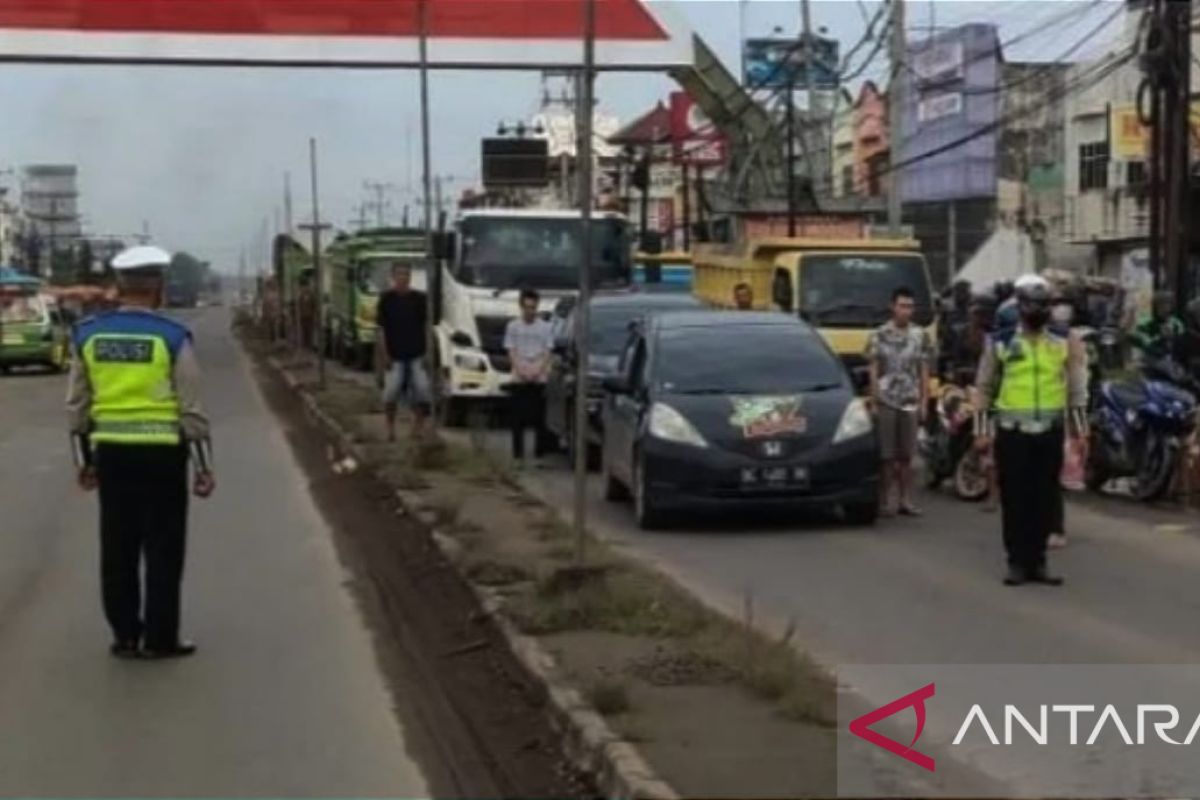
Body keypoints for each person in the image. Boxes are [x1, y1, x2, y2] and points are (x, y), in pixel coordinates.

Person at [66, 245, 214, 659]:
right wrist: (204, 468)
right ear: (158, 288)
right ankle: (161, 639)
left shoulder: (88, 334)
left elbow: (77, 406)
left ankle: (125, 635)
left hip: (112, 454)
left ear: (119, 287)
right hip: (163, 456)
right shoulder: (171, 336)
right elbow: (192, 408)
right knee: (164, 550)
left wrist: (84, 462)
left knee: (117, 547)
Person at [974, 275, 1087, 586]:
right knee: (1015, 498)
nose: (1039, 312)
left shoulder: (1063, 341)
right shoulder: (1001, 341)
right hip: (1013, 432)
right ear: (1021, 309)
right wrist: (981, 431)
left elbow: (1076, 389)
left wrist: (1080, 432)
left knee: (1044, 498)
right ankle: (1017, 562)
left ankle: (1038, 562)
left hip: (1049, 430)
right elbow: (984, 388)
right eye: (1033, 306)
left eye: (1044, 306)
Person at [865, 287, 935, 516]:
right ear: (893, 307)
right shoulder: (879, 335)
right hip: (886, 400)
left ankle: (905, 500)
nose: (907, 311)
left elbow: (924, 370)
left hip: (910, 401)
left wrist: (925, 401)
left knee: (907, 455)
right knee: (886, 455)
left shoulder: (920, 335)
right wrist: (874, 401)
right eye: (903, 306)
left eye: (910, 306)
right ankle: (885, 499)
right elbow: (873, 371)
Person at [375, 262, 431, 442]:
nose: (403, 278)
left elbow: (427, 327)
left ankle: (419, 426)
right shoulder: (386, 299)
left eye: (406, 274)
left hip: (417, 353)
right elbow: (381, 330)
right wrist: (385, 355)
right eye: (399, 274)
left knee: (422, 390)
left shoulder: (420, 299)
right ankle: (390, 428)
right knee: (391, 391)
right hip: (394, 354)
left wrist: (428, 352)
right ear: (393, 277)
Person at [504, 288, 555, 466]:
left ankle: (539, 455)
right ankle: (518, 456)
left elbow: (548, 351)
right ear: (521, 307)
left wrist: (538, 370)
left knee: (539, 417)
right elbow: (511, 350)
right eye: (526, 307)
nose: (530, 311)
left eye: (533, 307)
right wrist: (520, 370)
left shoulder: (545, 327)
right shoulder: (513, 326)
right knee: (517, 418)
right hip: (519, 375)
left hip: (538, 375)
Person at [1131, 290, 1185, 362]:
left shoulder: (1176, 323)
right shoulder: (1146, 324)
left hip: (1172, 362)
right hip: (1152, 363)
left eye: (1168, 304)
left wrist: (1173, 338)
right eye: (1161, 304)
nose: (1165, 308)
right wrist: (1160, 338)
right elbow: (1144, 344)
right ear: (1156, 306)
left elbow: (1183, 343)